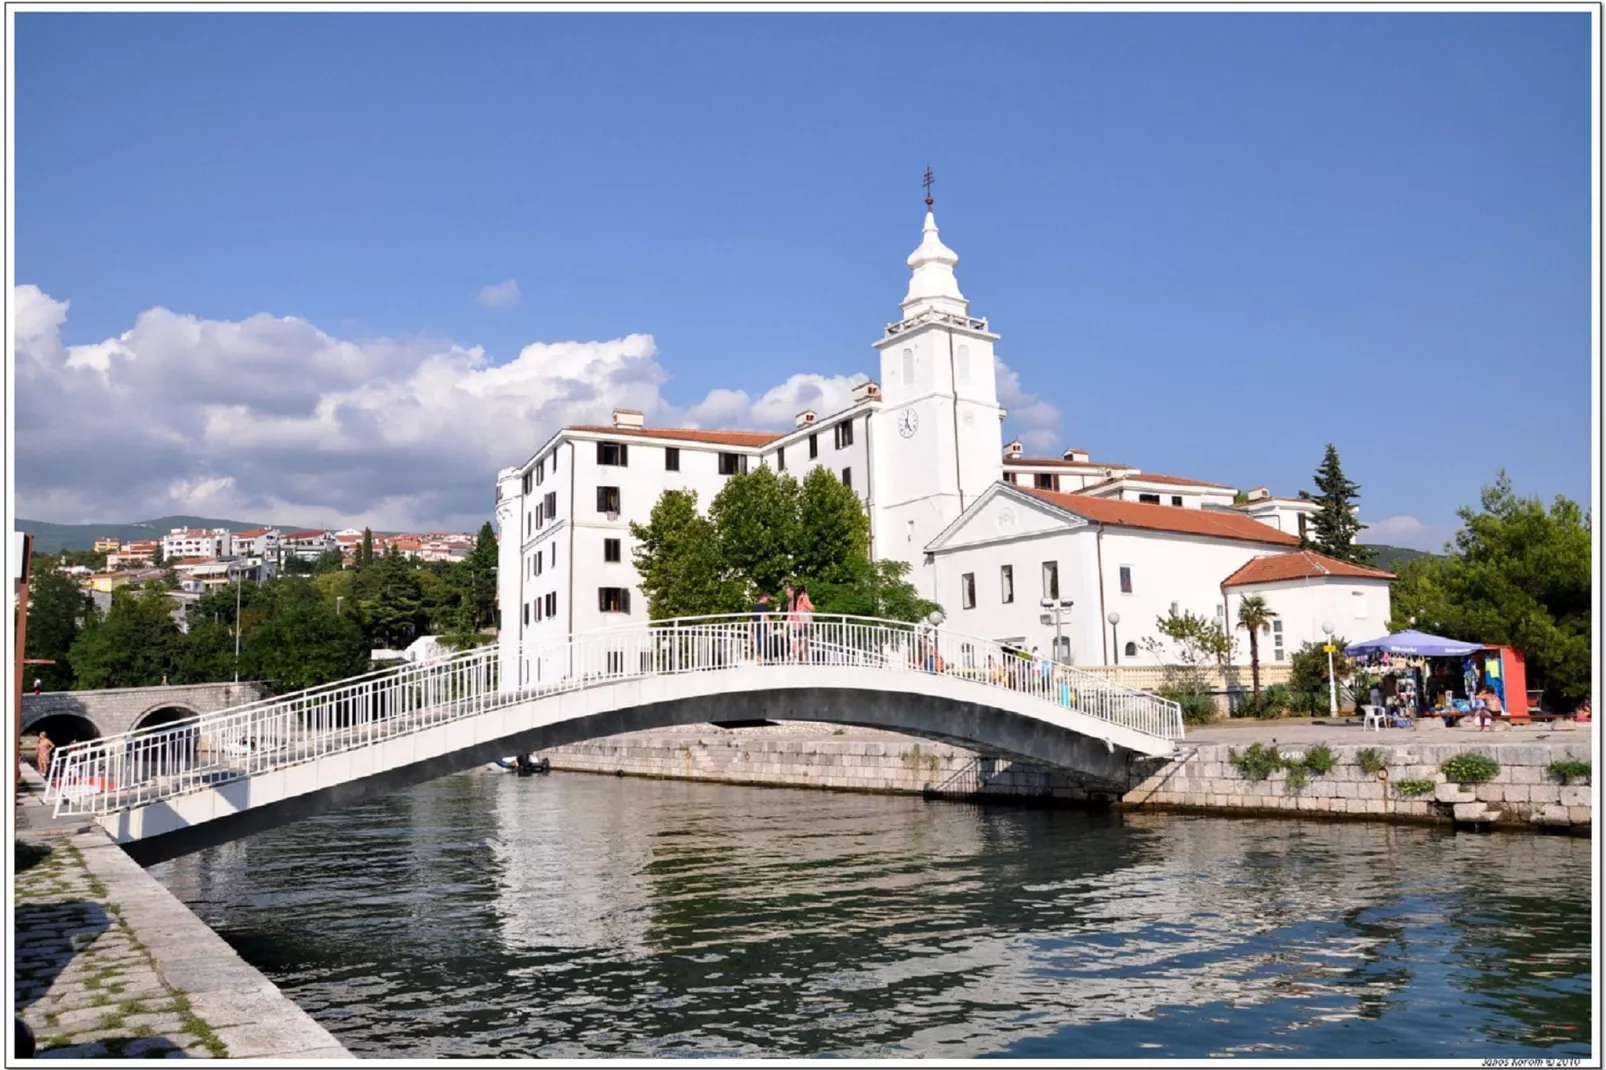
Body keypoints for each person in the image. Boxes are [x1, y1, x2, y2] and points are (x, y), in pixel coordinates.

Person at [791, 584, 814, 662]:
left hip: (795, 625)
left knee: (796, 643)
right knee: (804, 644)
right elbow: (810, 606)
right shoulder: (804, 596)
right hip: (803, 624)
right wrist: (813, 608)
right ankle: (803, 661)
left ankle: (798, 659)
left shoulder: (794, 599)